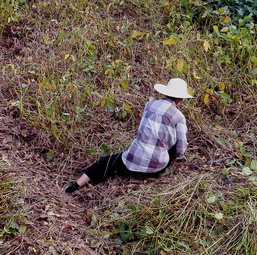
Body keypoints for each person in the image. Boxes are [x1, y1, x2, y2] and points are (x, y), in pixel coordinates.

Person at [65, 78, 193, 194]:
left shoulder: (149, 105)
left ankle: (75, 186)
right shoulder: (179, 117)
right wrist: (176, 158)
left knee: (105, 162)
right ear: (181, 98)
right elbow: (182, 145)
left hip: (133, 159)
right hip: (157, 165)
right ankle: (159, 172)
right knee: (174, 148)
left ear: (165, 92)